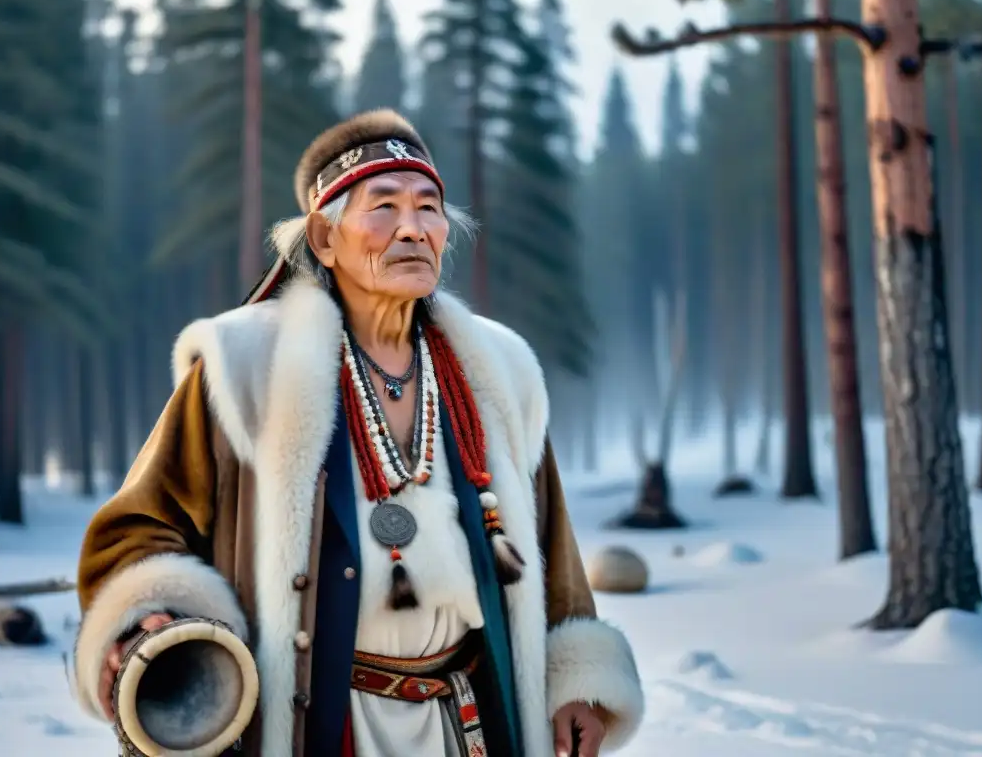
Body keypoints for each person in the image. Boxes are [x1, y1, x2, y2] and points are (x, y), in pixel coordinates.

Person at [70, 109, 644, 757]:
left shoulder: (497, 370)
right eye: (384, 206)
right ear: (323, 237)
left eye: (429, 208)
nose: (413, 228)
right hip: (319, 726)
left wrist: (579, 684)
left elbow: (549, 547)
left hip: (470, 723)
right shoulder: (246, 368)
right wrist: (158, 616)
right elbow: (136, 529)